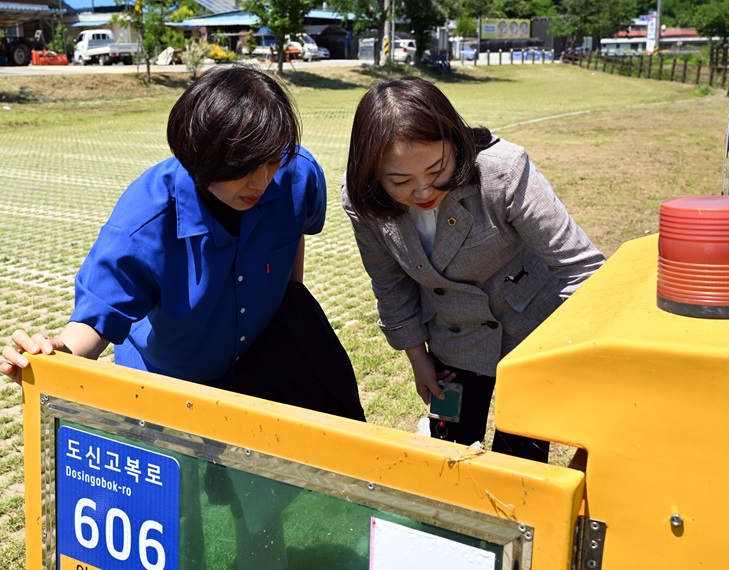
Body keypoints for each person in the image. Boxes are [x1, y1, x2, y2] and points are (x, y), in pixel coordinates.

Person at [2, 64, 364, 566]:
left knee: (260, 495)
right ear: (200, 156)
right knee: (174, 511)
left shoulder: (295, 173)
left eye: (270, 160)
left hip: (254, 369)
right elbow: (95, 321)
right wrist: (59, 353)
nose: (261, 180)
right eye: (244, 166)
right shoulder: (145, 219)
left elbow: (295, 231)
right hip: (169, 383)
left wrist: (287, 309)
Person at [341, 76, 605, 463]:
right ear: (372, 174)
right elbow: (390, 286)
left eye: (436, 170)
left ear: (456, 142)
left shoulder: (502, 171)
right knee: (448, 450)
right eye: (400, 181)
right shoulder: (363, 201)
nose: (423, 192)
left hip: (532, 331)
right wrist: (418, 359)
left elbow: (582, 268)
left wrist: (567, 353)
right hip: (452, 337)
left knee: (521, 457)